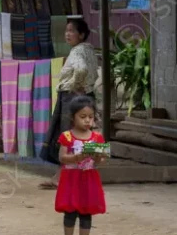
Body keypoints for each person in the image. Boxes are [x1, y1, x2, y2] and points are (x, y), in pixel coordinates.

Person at [40, 19, 99, 189]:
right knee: (80, 136)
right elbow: (93, 73)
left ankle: (67, 178)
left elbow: (80, 70)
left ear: (81, 34)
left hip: (71, 99)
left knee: (68, 137)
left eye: (72, 31)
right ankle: (62, 176)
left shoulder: (77, 52)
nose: (67, 34)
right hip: (87, 96)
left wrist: (74, 85)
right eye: (66, 30)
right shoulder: (89, 50)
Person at [55, 96, 107, 235]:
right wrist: (77, 157)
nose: (87, 120)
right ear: (73, 117)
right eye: (83, 116)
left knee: (86, 212)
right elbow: (62, 158)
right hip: (71, 179)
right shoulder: (66, 136)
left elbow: (100, 162)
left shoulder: (97, 137)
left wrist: (98, 158)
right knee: (70, 211)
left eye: (90, 116)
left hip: (89, 179)